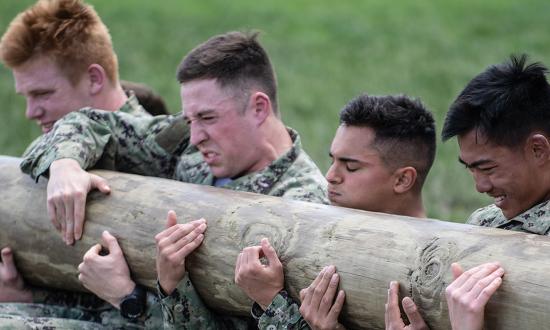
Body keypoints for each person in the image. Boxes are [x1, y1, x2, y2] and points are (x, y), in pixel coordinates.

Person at [20, 30, 328, 328]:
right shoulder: (185, 141)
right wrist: (65, 165)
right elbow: (84, 123)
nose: (194, 137)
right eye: (189, 119)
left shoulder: (303, 207)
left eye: (207, 118)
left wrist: (138, 295)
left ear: (258, 108)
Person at [0, 0, 168, 328]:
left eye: (43, 94)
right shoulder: (60, 153)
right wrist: (27, 297)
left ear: (93, 79)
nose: (30, 112)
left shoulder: (155, 156)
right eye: (26, 97)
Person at [234, 94, 437, 329]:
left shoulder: (432, 275)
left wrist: (273, 302)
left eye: (350, 166)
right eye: (333, 161)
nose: (330, 176)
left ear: (403, 179)